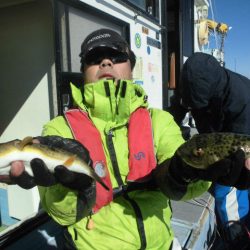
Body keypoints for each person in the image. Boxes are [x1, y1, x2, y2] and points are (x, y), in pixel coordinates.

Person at [7, 30, 250, 250]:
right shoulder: (58, 129)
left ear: (131, 69)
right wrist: (65, 189)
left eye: (116, 55)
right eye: (94, 58)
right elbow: (62, 215)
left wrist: (183, 171)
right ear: (84, 72)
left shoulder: (159, 120)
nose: (105, 61)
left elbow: (187, 184)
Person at [177, 52, 250, 249]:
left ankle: (236, 231)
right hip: (213, 139)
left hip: (239, 141)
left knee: (229, 187)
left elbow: (239, 150)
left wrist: (229, 171)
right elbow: (179, 106)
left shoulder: (241, 99)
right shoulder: (191, 89)